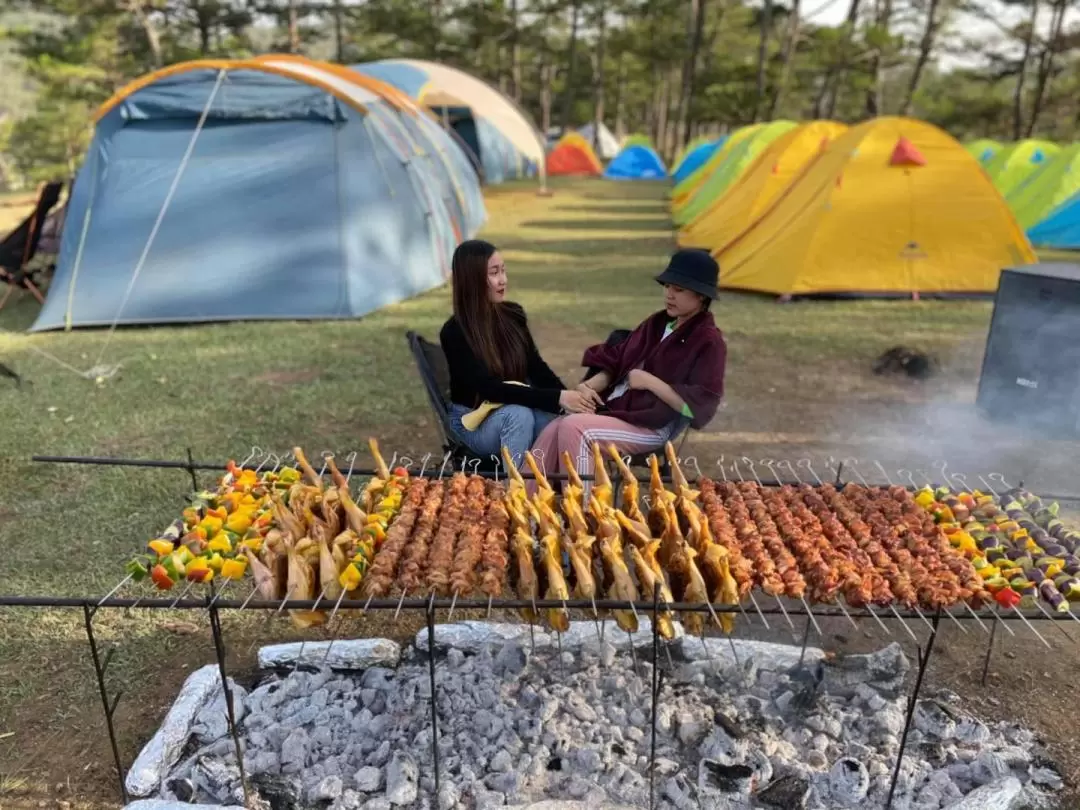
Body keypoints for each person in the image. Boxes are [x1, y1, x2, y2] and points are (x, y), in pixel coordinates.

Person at [531, 248, 726, 478]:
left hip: (651, 425)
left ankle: (584, 512)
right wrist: (590, 386)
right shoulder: (658, 322)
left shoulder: (708, 340)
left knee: (575, 429)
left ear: (701, 295)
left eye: (679, 289)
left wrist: (650, 382)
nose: (669, 295)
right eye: (666, 286)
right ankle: (524, 504)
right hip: (619, 410)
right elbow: (618, 360)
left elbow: (696, 406)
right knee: (553, 429)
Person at [440, 239, 597, 464]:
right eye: (494, 273)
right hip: (473, 421)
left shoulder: (513, 315)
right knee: (518, 416)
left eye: (503, 270)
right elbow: (489, 389)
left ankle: (561, 492)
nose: (503, 279)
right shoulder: (454, 332)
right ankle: (513, 494)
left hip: (513, 405)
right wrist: (558, 397)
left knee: (560, 421)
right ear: (472, 279)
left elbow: (536, 367)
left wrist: (570, 401)